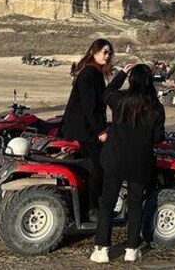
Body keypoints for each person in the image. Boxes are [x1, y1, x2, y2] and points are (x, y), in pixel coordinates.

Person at [92, 63, 165, 264]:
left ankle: (102, 249)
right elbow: (158, 137)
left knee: (107, 203)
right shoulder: (156, 107)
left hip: (114, 159)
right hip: (139, 161)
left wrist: (122, 73)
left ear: (131, 80)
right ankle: (131, 249)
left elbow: (107, 92)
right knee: (135, 205)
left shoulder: (120, 100)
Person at [61, 38, 114, 220]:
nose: (107, 56)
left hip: (87, 126)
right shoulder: (89, 73)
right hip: (83, 128)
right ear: (94, 51)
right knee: (99, 166)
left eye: (109, 53)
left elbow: (104, 99)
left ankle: (90, 205)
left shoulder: (95, 72)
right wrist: (100, 131)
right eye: (104, 52)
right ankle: (93, 209)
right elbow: (90, 106)